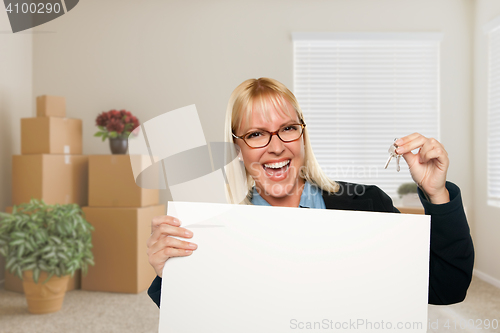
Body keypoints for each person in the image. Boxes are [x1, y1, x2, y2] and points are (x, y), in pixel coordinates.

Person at [147, 77, 474, 308]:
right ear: (237, 147)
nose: (276, 147)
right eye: (257, 133)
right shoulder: (216, 227)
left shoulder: (367, 203)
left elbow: (447, 288)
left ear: (303, 134)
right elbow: (201, 317)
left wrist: (436, 193)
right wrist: (171, 275)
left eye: (288, 128)